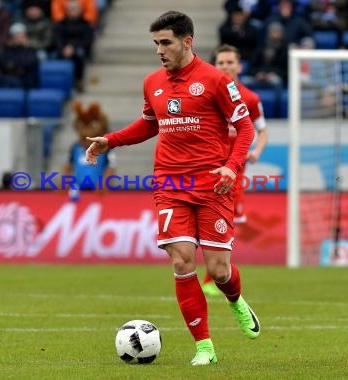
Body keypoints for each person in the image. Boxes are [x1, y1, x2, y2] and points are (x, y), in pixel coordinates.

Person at [85, 11, 260, 365]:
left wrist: (231, 165)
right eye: (156, 44)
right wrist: (112, 141)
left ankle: (236, 300)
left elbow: (246, 130)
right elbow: (150, 124)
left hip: (212, 184)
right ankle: (205, 347)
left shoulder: (215, 81)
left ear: (187, 41)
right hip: (170, 182)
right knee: (182, 261)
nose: (159, 50)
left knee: (219, 270)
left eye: (165, 42)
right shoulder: (152, 82)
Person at [201, 44, 269, 297]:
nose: (226, 67)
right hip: (207, 168)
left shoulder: (250, 99)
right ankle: (213, 276)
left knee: (226, 224)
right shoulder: (207, 94)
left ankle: (213, 276)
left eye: (230, 62)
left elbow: (262, 131)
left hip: (235, 172)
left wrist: (256, 152)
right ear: (214, 66)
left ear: (239, 66)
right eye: (221, 63)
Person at [62, 100, 115, 201]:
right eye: (83, 126)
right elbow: (68, 166)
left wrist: (104, 184)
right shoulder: (74, 147)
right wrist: (66, 183)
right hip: (77, 190)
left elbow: (110, 168)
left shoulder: (104, 148)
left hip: (96, 190)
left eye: (91, 126)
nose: (87, 130)